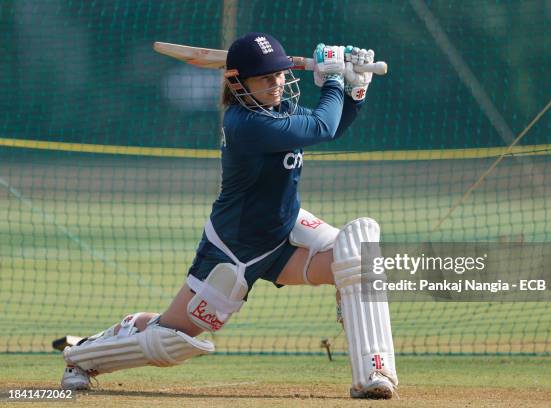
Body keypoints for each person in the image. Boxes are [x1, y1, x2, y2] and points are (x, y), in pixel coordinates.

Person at [60, 32, 398, 399]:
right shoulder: (246, 124)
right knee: (168, 340)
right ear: (238, 83)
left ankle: (374, 375)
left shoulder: (277, 108)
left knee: (358, 252)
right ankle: (81, 357)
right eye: (266, 78)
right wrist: (333, 78)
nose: (277, 83)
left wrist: (355, 88)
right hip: (233, 251)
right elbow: (322, 126)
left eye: (280, 75)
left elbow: (335, 126)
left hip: (282, 234)